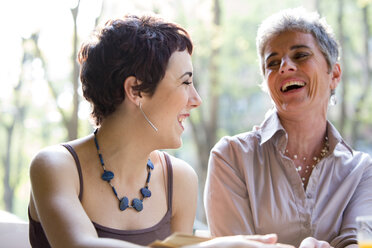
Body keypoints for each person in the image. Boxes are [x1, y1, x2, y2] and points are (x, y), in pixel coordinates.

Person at [28, 13, 293, 248]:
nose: (196, 99)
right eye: (186, 82)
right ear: (135, 90)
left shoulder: (179, 179)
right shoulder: (55, 167)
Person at [204, 7, 372, 248]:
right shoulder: (231, 158)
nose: (284, 66)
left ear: (334, 74)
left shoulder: (362, 172)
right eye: (272, 62)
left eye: (301, 55)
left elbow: (358, 243)